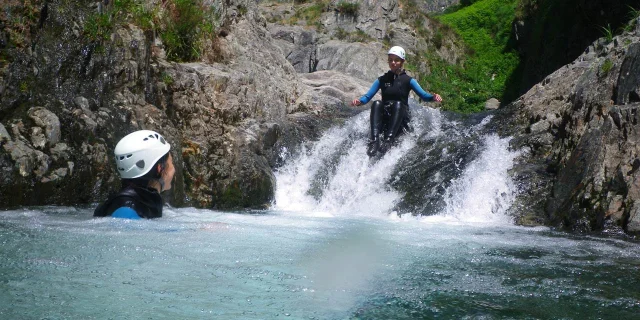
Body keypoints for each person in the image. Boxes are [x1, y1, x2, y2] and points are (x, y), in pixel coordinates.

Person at [351, 46, 443, 156]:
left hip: (400, 118)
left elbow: (424, 96)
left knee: (398, 104)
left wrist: (433, 97)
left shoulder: (409, 80)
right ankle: (374, 141)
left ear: (402, 61)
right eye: (390, 60)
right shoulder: (382, 80)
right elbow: (367, 97)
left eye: (396, 60)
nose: (393, 63)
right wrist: (359, 102)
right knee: (377, 103)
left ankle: (388, 141)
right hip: (386, 117)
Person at [94, 130, 175, 219]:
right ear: (160, 169)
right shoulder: (126, 209)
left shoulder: (131, 203)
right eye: (171, 163)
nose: (174, 169)